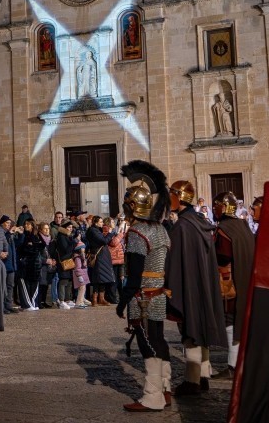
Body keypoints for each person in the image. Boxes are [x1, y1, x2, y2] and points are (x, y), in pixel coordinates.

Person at [115, 160, 172, 413]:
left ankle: (152, 396)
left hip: (143, 297)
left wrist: (124, 299)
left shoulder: (138, 233)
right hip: (158, 291)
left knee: (147, 343)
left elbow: (135, 274)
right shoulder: (160, 229)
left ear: (131, 206)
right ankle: (165, 388)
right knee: (158, 340)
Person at [165, 179, 227, 397]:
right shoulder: (199, 221)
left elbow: (174, 261)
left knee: (190, 329)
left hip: (189, 283)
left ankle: (192, 380)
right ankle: (203, 374)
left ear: (179, 198)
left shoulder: (183, 226)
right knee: (199, 326)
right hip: (203, 284)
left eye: (171, 195)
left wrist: (169, 286)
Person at [211, 192, 256, 379]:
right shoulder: (243, 225)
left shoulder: (224, 229)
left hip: (229, 282)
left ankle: (232, 365)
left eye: (216, 206)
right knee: (239, 320)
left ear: (222, 207)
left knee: (230, 320)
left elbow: (223, 255)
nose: (214, 209)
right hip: (244, 278)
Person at [16, 219, 48, 310]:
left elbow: (42, 245)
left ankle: (33, 303)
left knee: (34, 284)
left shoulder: (36, 235)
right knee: (25, 285)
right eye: (25, 224)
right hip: (25, 264)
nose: (26, 226)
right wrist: (30, 247)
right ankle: (27, 304)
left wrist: (32, 245)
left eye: (28, 224)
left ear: (32, 225)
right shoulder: (23, 235)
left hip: (35, 264)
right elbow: (22, 247)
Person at [85, 216, 117, 306]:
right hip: (99, 256)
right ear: (95, 223)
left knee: (103, 278)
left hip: (103, 256)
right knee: (98, 278)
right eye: (100, 222)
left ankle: (101, 298)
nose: (102, 223)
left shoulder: (97, 230)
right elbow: (104, 241)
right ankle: (95, 299)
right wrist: (110, 234)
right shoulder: (93, 230)